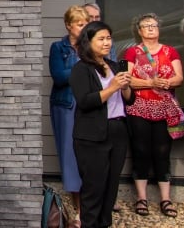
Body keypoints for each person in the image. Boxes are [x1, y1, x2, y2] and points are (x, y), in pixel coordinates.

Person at [69, 21, 135, 228]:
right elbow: (85, 101)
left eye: (109, 38)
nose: (107, 43)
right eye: (101, 39)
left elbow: (129, 100)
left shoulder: (114, 65)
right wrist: (112, 87)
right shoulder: (81, 69)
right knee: (94, 188)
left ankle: (104, 223)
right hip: (91, 136)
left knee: (110, 187)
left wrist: (124, 87)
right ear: (89, 42)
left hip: (117, 130)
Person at [123, 13, 184, 218]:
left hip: (164, 108)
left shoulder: (170, 51)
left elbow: (179, 77)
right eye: (146, 26)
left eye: (154, 25)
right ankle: (141, 198)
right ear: (139, 30)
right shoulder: (132, 52)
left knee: (162, 151)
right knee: (140, 150)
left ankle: (165, 199)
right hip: (139, 107)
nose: (150, 28)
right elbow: (128, 80)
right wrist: (151, 83)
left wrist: (167, 83)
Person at [48, 5, 90, 224]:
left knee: (89, 156)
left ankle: (89, 208)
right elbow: (59, 76)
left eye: (86, 24)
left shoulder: (94, 45)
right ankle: (78, 209)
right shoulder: (58, 47)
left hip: (90, 106)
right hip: (66, 105)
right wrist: (83, 65)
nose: (84, 29)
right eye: (80, 24)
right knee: (70, 156)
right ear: (68, 25)